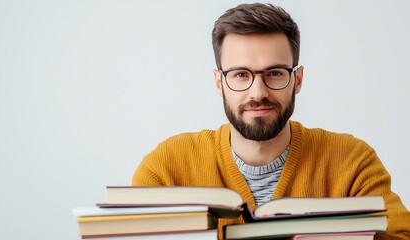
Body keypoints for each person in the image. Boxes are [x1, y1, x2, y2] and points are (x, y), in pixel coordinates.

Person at [132, 3, 410, 239]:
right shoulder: (167, 168)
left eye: (275, 73)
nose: (258, 93)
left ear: (297, 80)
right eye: (240, 74)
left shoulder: (352, 162)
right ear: (219, 82)